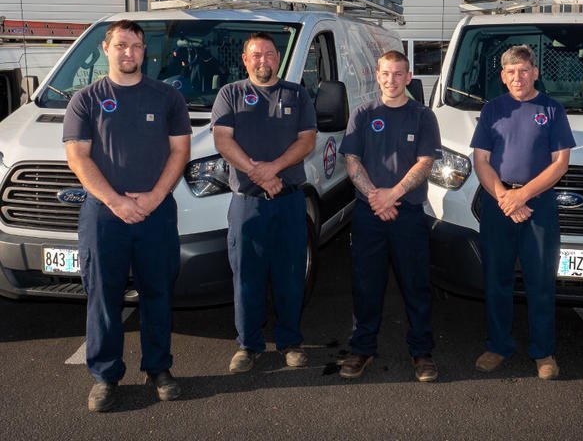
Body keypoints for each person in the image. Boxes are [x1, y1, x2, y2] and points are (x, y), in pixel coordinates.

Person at [63, 20, 191, 412]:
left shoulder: (167, 97)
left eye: (135, 46)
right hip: (103, 215)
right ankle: (105, 375)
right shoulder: (85, 99)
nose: (129, 53)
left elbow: (180, 152)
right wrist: (117, 202)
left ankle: (158, 368)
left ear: (144, 51)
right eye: (121, 45)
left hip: (156, 213)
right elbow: (77, 158)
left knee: (158, 291)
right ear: (106, 49)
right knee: (103, 295)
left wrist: (153, 198)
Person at [211, 32, 317, 373]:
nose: (263, 60)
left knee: (289, 275)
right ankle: (249, 345)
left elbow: (307, 140)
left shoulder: (296, 94)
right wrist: (260, 175)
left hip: (289, 201)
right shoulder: (230, 94)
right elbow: (223, 141)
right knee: (247, 277)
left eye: (269, 54)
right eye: (256, 55)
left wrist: (273, 169)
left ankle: (290, 342)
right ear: (245, 59)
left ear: (278, 58)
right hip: (248, 204)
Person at [470, 45, 575, 380]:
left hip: (539, 204)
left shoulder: (553, 109)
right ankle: (498, 345)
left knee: (540, 282)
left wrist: (523, 196)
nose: (518, 77)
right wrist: (504, 196)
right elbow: (481, 161)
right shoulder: (492, 110)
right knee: (496, 279)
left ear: (535, 72)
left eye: (524, 70)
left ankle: (543, 352)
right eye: (511, 72)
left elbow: (560, 164)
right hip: (497, 203)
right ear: (503, 76)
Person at [337, 50, 442, 381]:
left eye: (399, 74)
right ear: (377, 76)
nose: (392, 80)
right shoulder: (362, 114)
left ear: (408, 78)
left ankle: (422, 352)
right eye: (386, 73)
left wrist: (392, 195)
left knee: (416, 285)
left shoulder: (423, 116)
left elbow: (425, 163)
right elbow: (352, 160)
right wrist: (374, 197)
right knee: (366, 285)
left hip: (407, 213)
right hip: (369, 214)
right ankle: (361, 349)